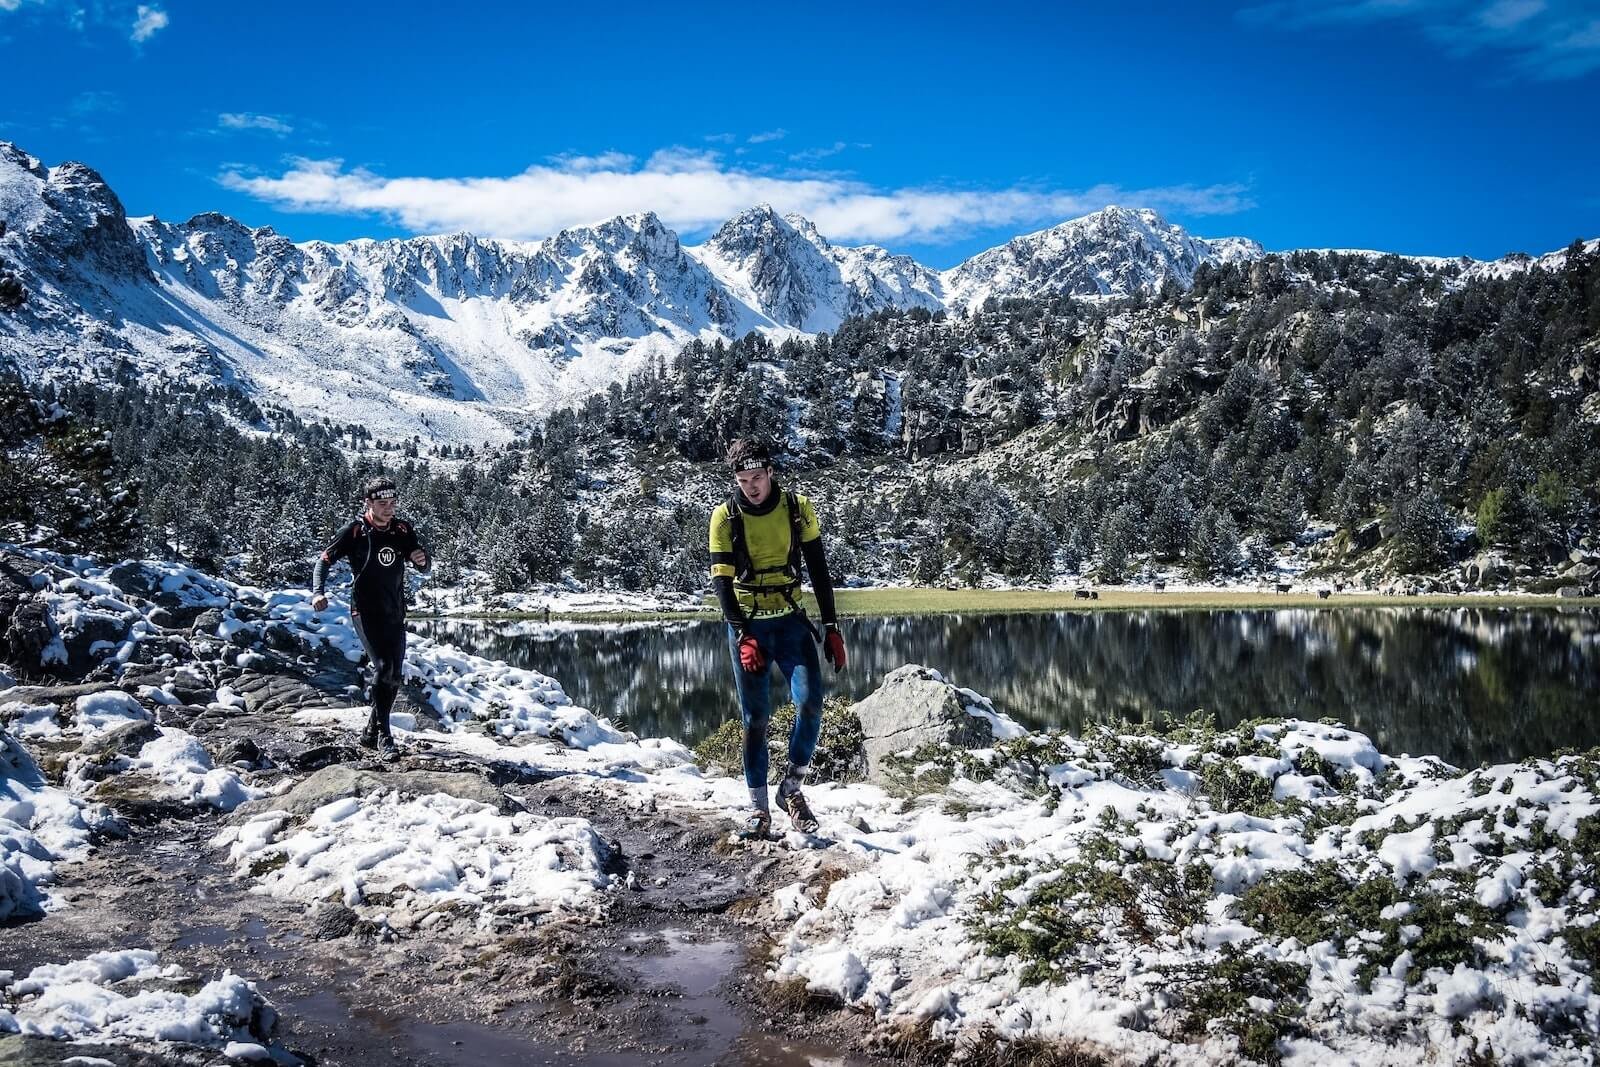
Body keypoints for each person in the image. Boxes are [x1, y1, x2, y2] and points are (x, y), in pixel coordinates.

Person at [709, 439, 847, 837]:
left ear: (770, 472)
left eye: (756, 477)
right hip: (749, 626)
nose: (750, 486)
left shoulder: (797, 508)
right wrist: (741, 634)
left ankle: (792, 788)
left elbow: (819, 570)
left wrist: (832, 627)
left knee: (811, 705)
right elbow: (721, 583)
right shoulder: (725, 516)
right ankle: (757, 808)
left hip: (790, 622)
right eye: (742, 479)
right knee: (755, 719)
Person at [311, 477, 430, 759]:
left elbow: (421, 562)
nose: (389, 509)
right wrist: (318, 592)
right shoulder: (354, 532)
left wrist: (423, 560)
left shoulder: (401, 529)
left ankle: (369, 731)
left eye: (392, 503)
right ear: (368, 503)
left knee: (394, 675)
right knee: (383, 666)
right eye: (382, 504)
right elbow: (324, 560)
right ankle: (385, 737)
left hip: (395, 611)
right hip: (364, 611)